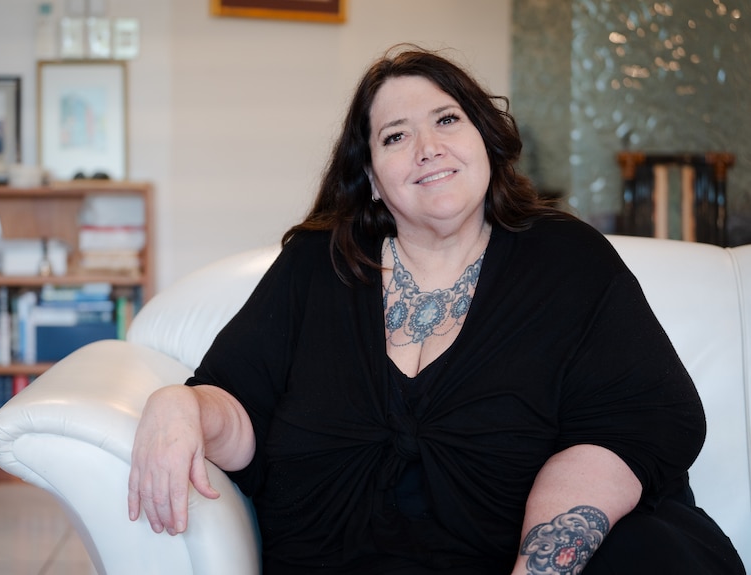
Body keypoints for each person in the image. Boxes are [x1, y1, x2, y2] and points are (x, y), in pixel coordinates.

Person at [127, 45, 745, 574]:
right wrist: (178, 403)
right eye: (395, 136)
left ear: (485, 139)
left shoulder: (566, 260)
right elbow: (238, 414)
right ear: (371, 176)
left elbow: (631, 428)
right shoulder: (320, 264)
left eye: (447, 120)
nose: (427, 148)